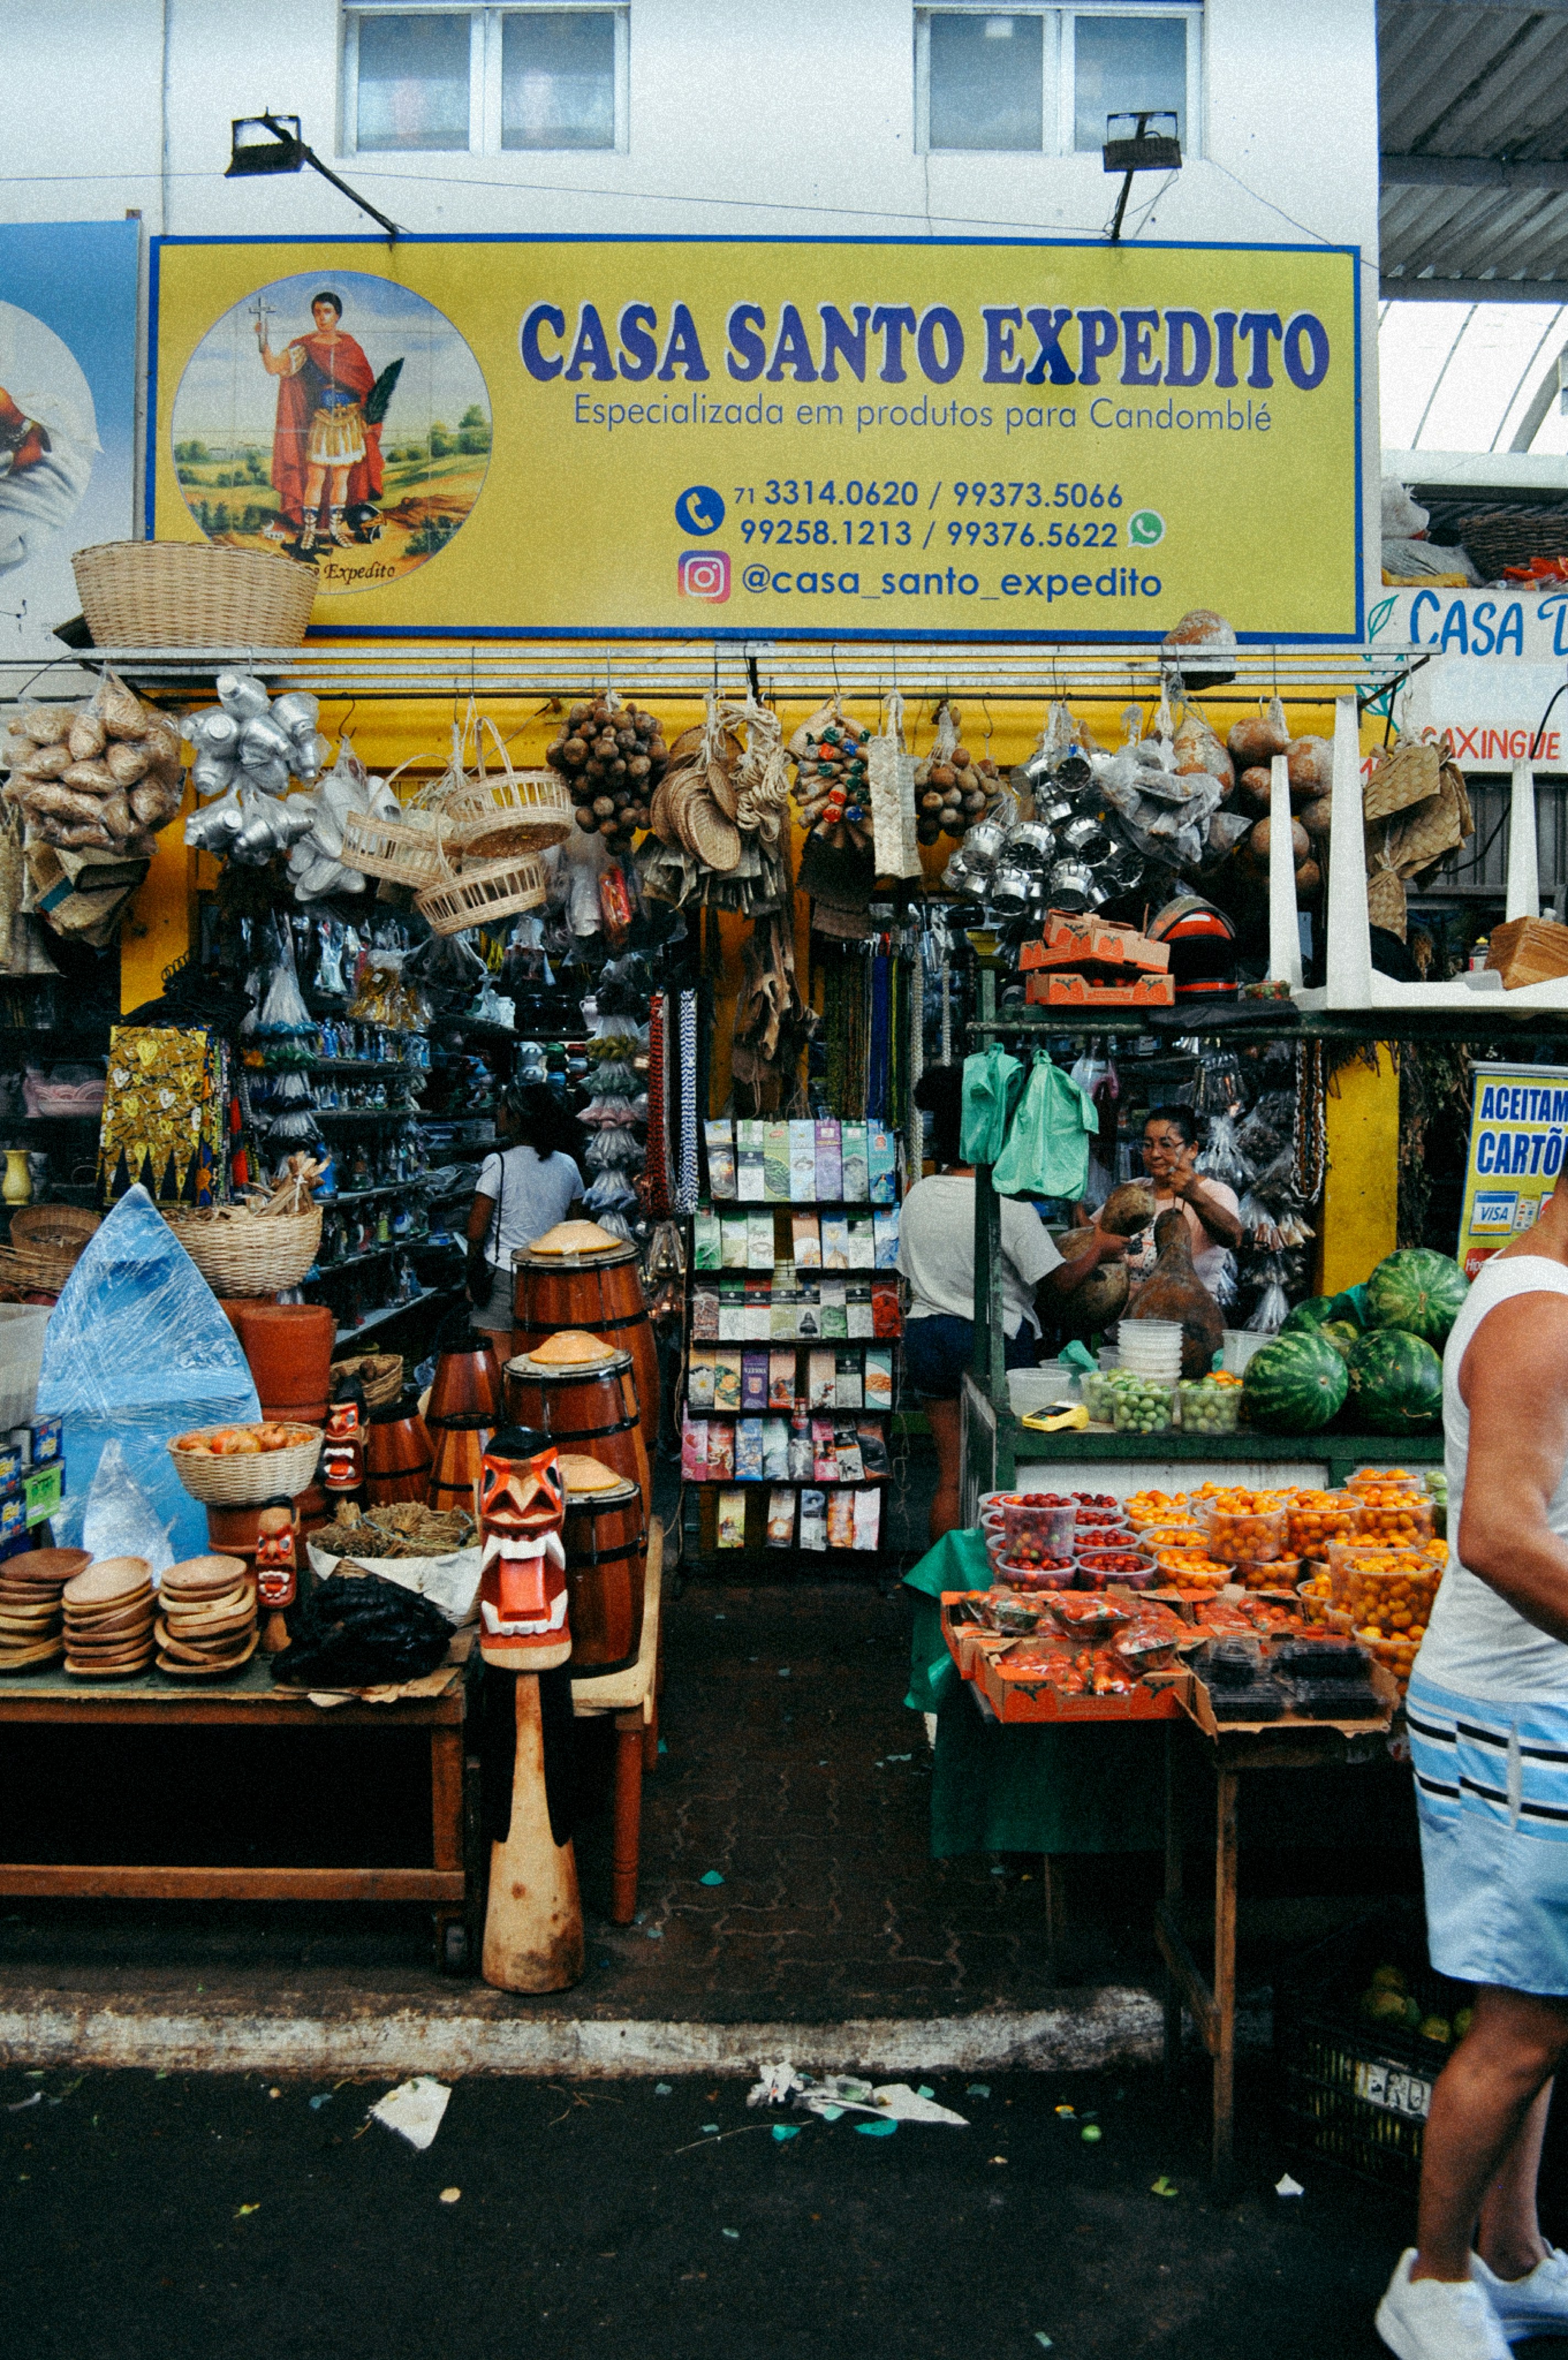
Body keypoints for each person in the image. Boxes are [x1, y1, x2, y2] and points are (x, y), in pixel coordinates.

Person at [1375, 1165, 1568, 2359]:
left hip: (1530, 1709)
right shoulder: (1538, 1319)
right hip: (1513, 1718)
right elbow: (1496, 1535)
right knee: (1523, 2026)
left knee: (1538, 2003)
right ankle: (1432, 2276)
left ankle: (1509, 2250)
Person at [899, 1063, 1128, 1544]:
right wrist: (1100, 1248)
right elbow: (1060, 1284)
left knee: (952, 1476)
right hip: (987, 1341)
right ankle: (995, 1580)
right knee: (1001, 1475)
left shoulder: (919, 1195)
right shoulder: (1005, 1204)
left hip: (926, 1337)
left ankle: (947, 1581)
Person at [257, 290, 386, 557]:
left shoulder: (350, 346)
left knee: (341, 479)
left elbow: (367, 387)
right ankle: (309, 535)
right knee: (315, 478)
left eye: (327, 312)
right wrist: (263, 341)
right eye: (317, 312)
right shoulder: (304, 347)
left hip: (349, 422)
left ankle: (336, 532)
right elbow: (274, 367)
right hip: (322, 423)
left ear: (337, 315)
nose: (321, 317)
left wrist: (366, 419)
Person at [466, 1084, 586, 1342]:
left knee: (498, 1367)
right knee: (542, 1361)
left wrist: (473, 1278)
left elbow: (476, 1232)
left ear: (517, 1118)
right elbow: (576, 1229)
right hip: (550, 1279)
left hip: (503, 1277)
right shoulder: (568, 1165)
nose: (498, 1114)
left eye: (502, 1109)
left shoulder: (498, 1163)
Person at [1123, 1105, 1242, 1293]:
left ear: (1192, 1149)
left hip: (1186, 1313)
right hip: (1127, 1317)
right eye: (1147, 1145)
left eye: (1166, 1145)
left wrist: (1194, 1195)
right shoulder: (1135, 1190)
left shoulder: (1215, 1192)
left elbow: (1233, 1237)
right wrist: (1075, 1197)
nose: (1155, 1154)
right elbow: (1095, 1233)